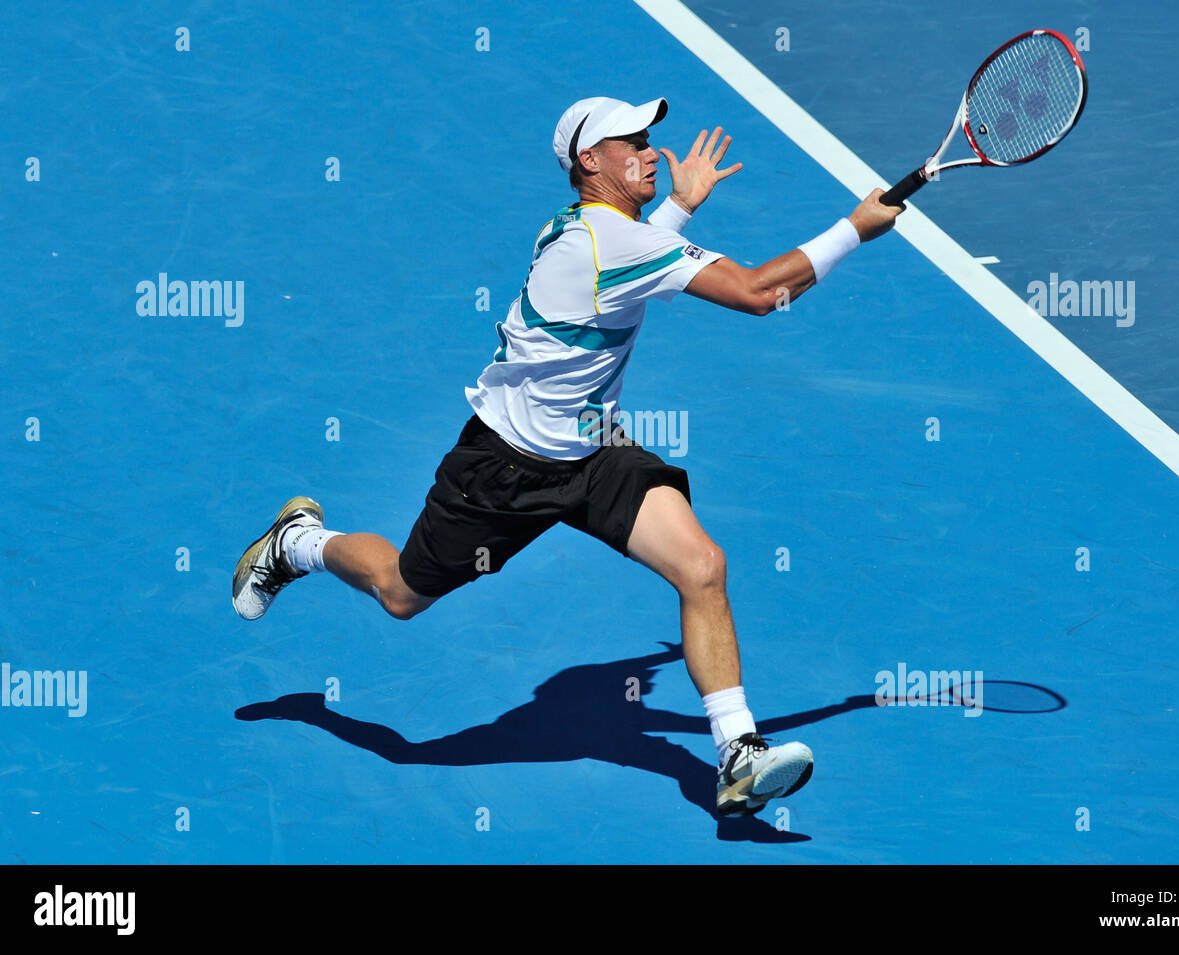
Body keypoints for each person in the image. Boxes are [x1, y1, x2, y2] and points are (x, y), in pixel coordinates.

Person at [233, 96, 902, 816]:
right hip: (504, 469)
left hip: (593, 454)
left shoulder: (590, 233)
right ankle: (298, 541)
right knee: (401, 593)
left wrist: (677, 207)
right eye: (633, 143)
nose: (651, 151)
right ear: (592, 161)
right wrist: (854, 230)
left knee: (702, 565)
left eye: (650, 140)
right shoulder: (609, 245)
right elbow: (759, 292)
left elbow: (632, 270)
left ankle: (738, 752)